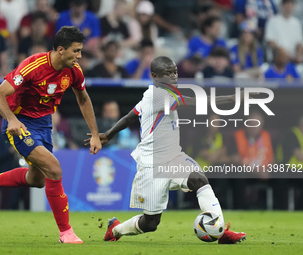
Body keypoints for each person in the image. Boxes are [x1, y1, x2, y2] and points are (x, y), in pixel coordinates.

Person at [85, 56, 247, 244]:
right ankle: (116, 229)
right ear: (154, 76)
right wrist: (232, 99)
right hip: (151, 165)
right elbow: (198, 102)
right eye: (167, 74)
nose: (173, 77)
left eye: (175, 72)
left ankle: (220, 229)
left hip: (173, 157)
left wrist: (109, 134)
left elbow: (131, 116)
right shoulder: (160, 96)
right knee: (151, 223)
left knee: (199, 179)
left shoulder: (151, 94)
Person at [0, 26, 102, 244]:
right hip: (20, 121)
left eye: (81, 51)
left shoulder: (74, 70)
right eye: (76, 51)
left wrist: (95, 134)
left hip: (43, 124)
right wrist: (12, 120)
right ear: (61, 50)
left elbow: (84, 99)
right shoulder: (33, 66)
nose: (79, 56)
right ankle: (66, 232)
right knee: (54, 169)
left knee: (38, 179)